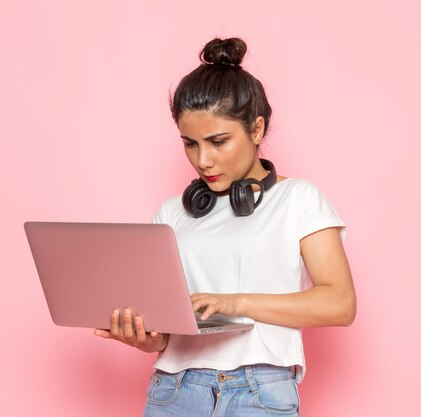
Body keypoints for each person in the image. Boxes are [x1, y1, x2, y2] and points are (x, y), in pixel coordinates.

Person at [94, 37, 356, 416]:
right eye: (190, 144)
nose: (203, 160)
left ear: (256, 129)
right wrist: (145, 338)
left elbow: (340, 303)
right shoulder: (171, 214)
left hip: (258, 392)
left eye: (218, 141)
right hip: (173, 390)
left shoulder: (298, 199)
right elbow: (167, 332)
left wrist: (236, 303)